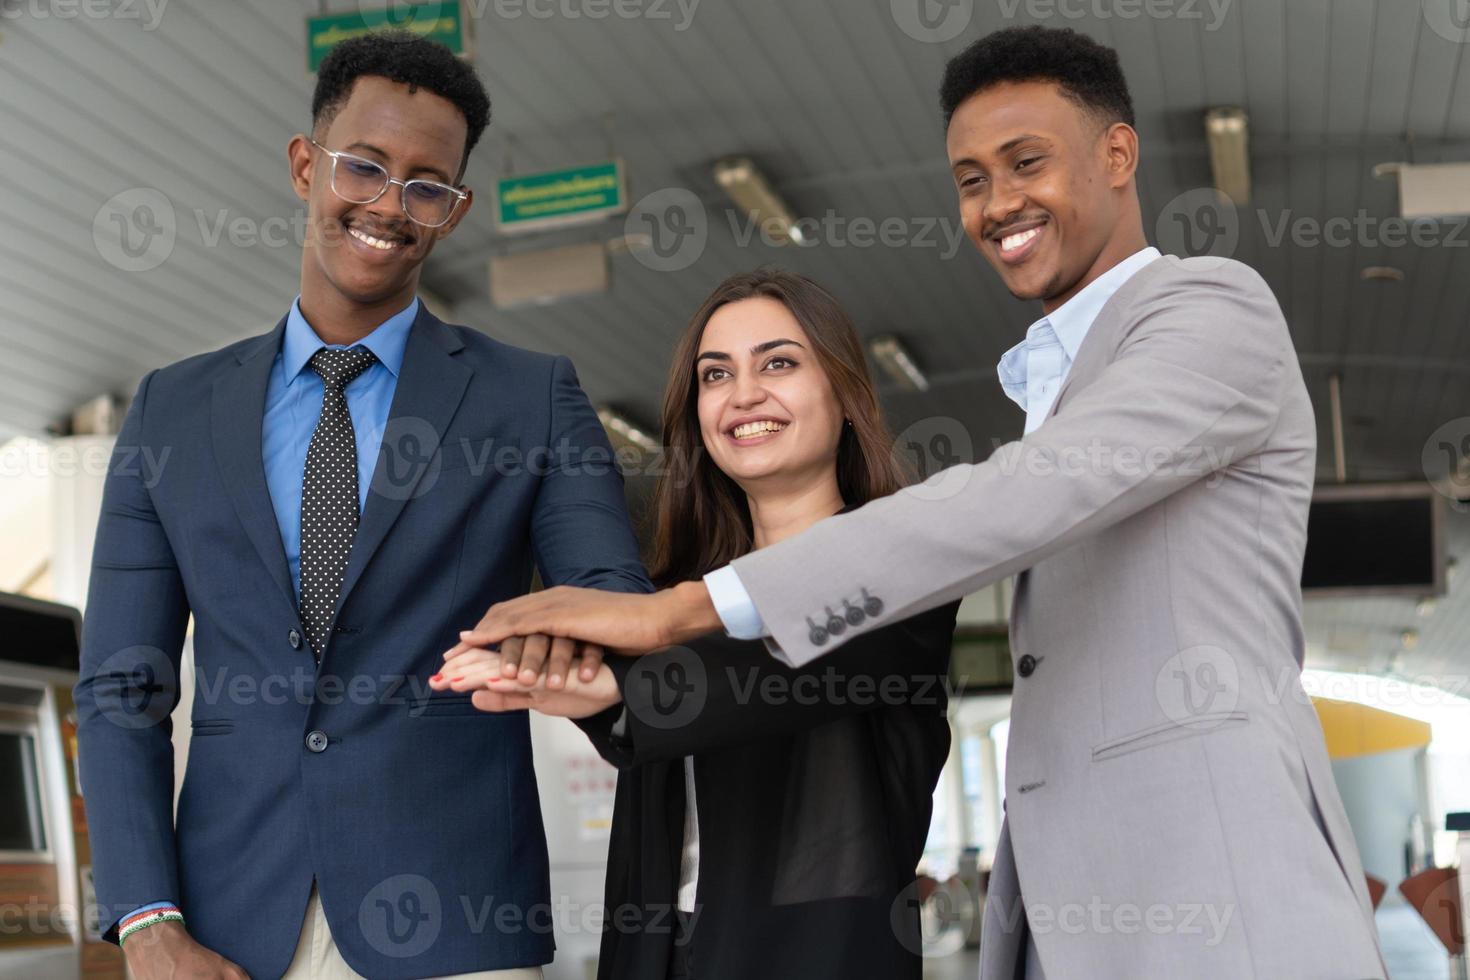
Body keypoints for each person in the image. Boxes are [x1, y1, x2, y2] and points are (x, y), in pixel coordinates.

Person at [448, 26, 1389, 980]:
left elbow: (1018, 502)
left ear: (1118, 154)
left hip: (1219, 901)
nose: (997, 202)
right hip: (1081, 921)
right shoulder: (1057, 396)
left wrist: (670, 617)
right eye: (971, 178)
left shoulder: (1213, 306)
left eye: (1027, 163)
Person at [74, 31, 647, 980]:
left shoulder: (530, 396)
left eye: (428, 184)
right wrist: (146, 921)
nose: (390, 205)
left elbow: (609, 596)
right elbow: (120, 687)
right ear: (307, 166)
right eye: (365, 167)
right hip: (226, 928)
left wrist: (560, 636)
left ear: (455, 210)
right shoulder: (172, 408)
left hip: (459, 918)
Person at [435, 270, 958, 979]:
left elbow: (770, 675)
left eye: (779, 362)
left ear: (842, 392)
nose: (744, 394)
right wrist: (583, 681)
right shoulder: (673, 596)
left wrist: (619, 684)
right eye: (716, 375)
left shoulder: (902, 565)